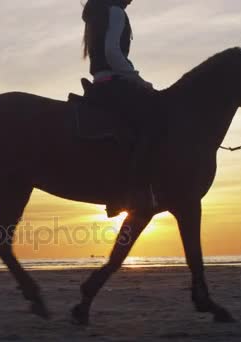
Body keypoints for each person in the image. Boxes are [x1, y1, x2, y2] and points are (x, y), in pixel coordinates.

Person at [81, 0, 156, 217]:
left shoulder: (97, 13)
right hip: (115, 81)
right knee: (154, 120)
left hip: (100, 82)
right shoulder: (115, 12)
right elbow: (112, 52)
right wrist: (137, 79)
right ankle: (136, 189)